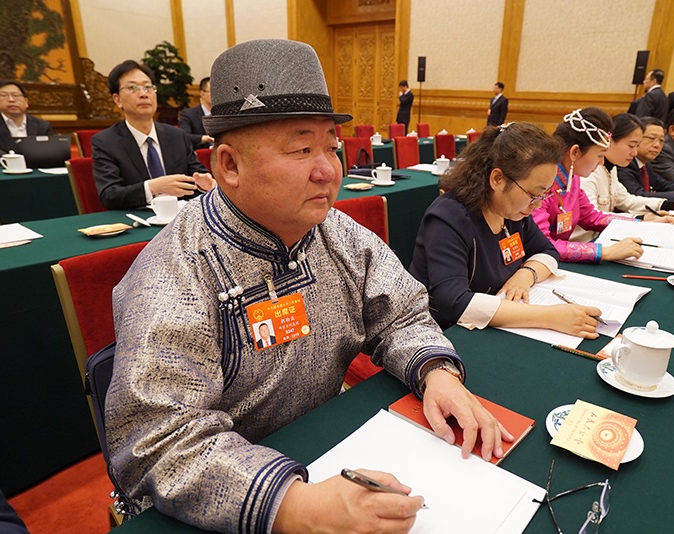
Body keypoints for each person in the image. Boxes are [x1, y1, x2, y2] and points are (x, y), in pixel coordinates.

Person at [105, 39, 509, 534]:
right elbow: (161, 440)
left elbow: (401, 312)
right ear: (229, 165)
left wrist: (436, 372)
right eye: (301, 150)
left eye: (331, 148)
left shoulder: (336, 233)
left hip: (328, 445)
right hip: (227, 495)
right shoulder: (176, 270)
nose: (328, 171)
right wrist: (296, 507)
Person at [409, 122, 601, 339]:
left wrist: (526, 275)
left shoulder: (513, 213)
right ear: (498, 179)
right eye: (533, 194)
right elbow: (455, 302)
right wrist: (551, 317)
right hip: (442, 333)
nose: (538, 204)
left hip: (492, 325)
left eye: (545, 194)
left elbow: (548, 251)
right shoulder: (448, 218)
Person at [92, 60, 215, 210]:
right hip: (137, 219)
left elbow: (196, 175)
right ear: (117, 100)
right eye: (132, 88)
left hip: (178, 217)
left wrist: (203, 183)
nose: (143, 94)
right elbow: (109, 195)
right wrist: (152, 187)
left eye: (148, 87)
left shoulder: (177, 136)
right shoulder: (106, 142)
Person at [532, 108, 644, 263]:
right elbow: (542, 244)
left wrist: (638, 223)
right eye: (600, 155)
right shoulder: (540, 184)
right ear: (575, 152)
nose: (602, 162)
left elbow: (591, 217)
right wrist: (604, 252)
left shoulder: (572, 179)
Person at [578, 114, 674, 242]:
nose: (635, 153)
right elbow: (593, 217)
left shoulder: (611, 168)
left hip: (602, 237)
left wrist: (669, 204)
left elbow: (626, 199)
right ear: (609, 140)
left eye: (637, 146)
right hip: (586, 242)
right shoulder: (587, 172)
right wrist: (639, 219)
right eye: (631, 146)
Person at [617, 117, 674, 205]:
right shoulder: (624, 163)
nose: (657, 145)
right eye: (651, 138)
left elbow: (662, 184)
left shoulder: (646, 163)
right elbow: (638, 195)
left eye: (661, 140)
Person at [0, 79, 53, 166]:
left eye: (15, 95)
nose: (11, 99)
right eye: (4, 95)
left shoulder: (42, 125)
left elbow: (48, 151)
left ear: (26, 102)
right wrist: (13, 161)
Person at [178, 76, 214, 149]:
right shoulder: (188, 114)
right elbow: (184, 136)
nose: (216, 95)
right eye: (212, 91)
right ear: (202, 94)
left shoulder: (222, 113)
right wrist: (203, 138)